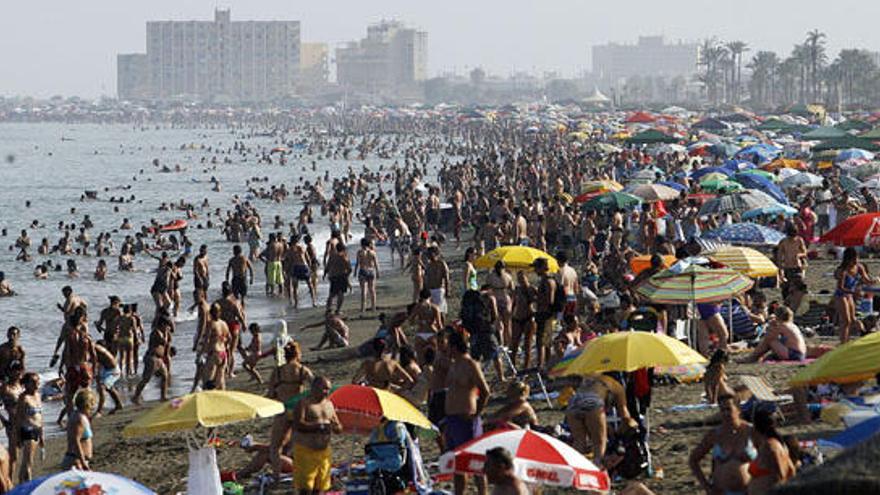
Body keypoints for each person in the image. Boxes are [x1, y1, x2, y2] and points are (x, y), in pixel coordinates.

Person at [444, 330, 491, 495]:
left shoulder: (470, 364)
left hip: (467, 419)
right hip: (452, 419)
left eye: (448, 346)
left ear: (455, 347)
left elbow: (485, 391)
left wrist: (476, 413)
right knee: (457, 464)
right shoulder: (453, 364)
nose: (446, 349)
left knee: (475, 463)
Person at [690, 393, 755, 495]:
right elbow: (693, 460)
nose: (725, 413)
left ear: (738, 409)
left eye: (728, 409)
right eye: (722, 410)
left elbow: (770, 459)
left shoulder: (752, 432)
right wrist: (706, 487)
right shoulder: (715, 434)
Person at [565, 373, 635, 464]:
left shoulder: (593, 378)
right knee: (599, 444)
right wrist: (629, 427)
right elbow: (625, 416)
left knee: (579, 441)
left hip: (574, 400)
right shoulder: (617, 386)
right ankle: (598, 469)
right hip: (592, 401)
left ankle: (575, 468)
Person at [291, 376, 343, 495]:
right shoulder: (304, 403)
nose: (326, 391)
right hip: (306, 451)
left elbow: (338, 426)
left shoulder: (329, 404)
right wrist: (319, 426)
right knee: (305, 489)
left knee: (321, 487)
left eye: (328, 389)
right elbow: (298, 425)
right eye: (324, 388)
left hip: (324, 452)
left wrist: (337, 427)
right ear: (314, 388)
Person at [748, 409, 796, 494]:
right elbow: (791, 469)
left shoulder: (771, 446)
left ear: (755, 428)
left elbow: (780, 474)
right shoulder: (775, 444)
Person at [834, 247, 875, 343]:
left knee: (853, 319)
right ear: (848, 259)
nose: (856, 261)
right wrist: (854, 292)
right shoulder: (843, 271)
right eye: (854, 259)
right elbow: (841, 288)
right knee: (846, 321)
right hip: (841, 295)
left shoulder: (859, 267)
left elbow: (866, 280)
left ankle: (864, 333)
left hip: (849, 295)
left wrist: (873, 281)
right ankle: (843, 342)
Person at [12, 372, 42, 483]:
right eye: (33, 382)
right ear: (26, 384)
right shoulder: (23, 398)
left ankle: (25, 483)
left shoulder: (38, 395)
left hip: (36, 430)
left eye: (38, 381)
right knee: (27, 462)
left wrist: (42, 435)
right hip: (27, 431)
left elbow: (39, 417)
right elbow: (18, 419)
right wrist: (18, 437)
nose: (36, 384)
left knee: (30, 461)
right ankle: (25, 484)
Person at [776, 223, 808, 314]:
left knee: (798, 290)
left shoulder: (799, 240)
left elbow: (805, 252)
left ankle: (795, 309)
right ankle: (787, 310)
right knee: (786, 290)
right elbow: (779, 258)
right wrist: (780, 272)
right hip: (787, 268)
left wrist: (799, 255)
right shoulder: (783, 242)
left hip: (797, 268)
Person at [533, 257, 558, 369]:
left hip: (546, 315)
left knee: (542, 341)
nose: (535, 270)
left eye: (536, 268)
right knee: (545, 341)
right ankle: (545, 364)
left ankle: (542, 365)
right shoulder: (544, 280)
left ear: (542, 268)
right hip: (544, 314)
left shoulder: (548, 281)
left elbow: (550, 300)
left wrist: (538, 298)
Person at [62, 390, 96, 470]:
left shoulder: (78, 415)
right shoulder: (79, 418)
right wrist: (83, 463)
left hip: (79, 460)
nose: (93, 407)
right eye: (92, 403)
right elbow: (76, 442)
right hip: (76, 461)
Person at [324, 242, 351, 315]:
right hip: (341, 276)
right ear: (343, 249)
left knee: (331, 294)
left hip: (333, 276)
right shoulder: (343, 256)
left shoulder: (332, 255)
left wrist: (325, 274)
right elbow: (349, 268)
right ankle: (338, 310)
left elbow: (327, 266)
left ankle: (328, 309)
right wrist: (347, 275)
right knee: (341, 294)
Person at [355, 238, 380, 313]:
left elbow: (358, 263)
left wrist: (355, 271)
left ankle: (363, 308)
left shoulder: (360, 252)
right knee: (372, 290)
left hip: (363, 271)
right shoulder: (372, 252)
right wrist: (378, 272)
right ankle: (373, 307)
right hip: (371, 271)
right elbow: (376, 263)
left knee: (363, 291)